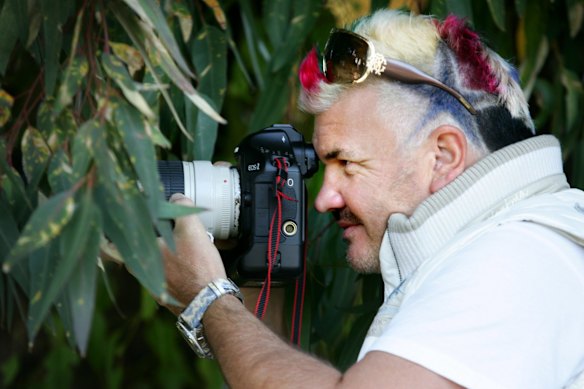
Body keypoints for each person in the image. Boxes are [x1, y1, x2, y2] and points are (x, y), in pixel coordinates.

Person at [159, 9, 584, 388]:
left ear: (442, 156)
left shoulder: (515, 259)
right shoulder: (528, 248)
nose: (323, 199)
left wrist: (208, 299)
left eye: (346, 162)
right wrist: (252, 270)